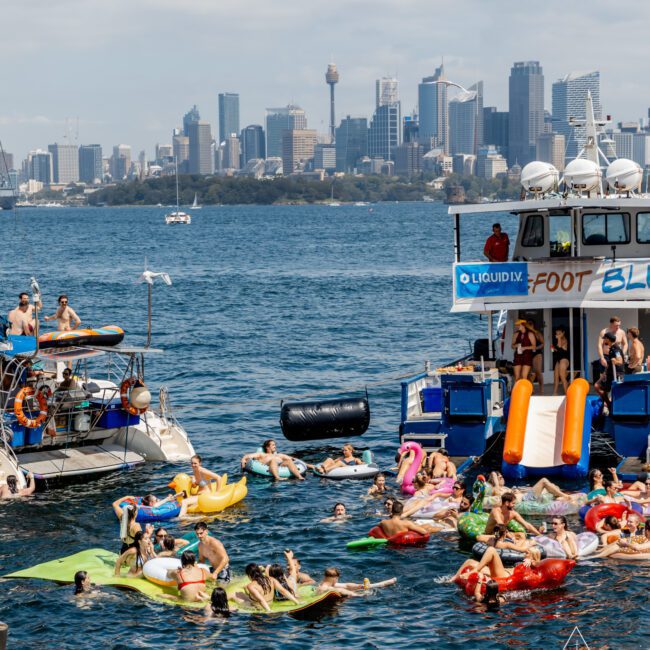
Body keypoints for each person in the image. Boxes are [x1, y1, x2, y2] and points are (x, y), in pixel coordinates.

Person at [233, 563, 298, 612]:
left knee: (234, 595)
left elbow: (261, 600)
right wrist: (296, 602)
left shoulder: (250, 586)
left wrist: (269, 611)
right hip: (270, 603)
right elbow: (283, 591)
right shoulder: (271, 579)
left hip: (258, 607)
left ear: (249, 575)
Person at [240, 439, 305, 481]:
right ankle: (277, 477)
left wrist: (310, 466)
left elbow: (296, 460)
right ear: (267, 447)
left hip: (280, 465)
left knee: (288, 461)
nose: (275, 446)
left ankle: (299, 476)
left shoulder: (279, 455)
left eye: (275, 445)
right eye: (273, 445)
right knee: (273, 461)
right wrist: (243, 461)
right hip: (268, 465)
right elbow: (247, 456)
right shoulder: (261, 454)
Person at [476, 523, 541, 562]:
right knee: (525, 541)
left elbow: (478, 537)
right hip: (511, 554)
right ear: (504, 534)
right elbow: (523, 550)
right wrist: (531, 544)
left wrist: (494, 536)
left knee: (521, 541)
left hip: (497, 542)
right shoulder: (506, 544)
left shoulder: (490, 540)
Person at [594, 332, 623, 412]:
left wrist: (615, 361)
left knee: (612, 391)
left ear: (608, 339)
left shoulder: (616, 349)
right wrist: (605, 372)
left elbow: (620, 361)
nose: (604, 340)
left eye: (605, 339)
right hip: (610, 373)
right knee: (598, 386)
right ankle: (609, 405)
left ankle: (611, 407)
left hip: (617, 374)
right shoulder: (611, 349)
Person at [527, 319, 544, 395]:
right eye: (528, 324)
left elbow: (543, 344)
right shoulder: (526, 333)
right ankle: (531, 388)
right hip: (528, 353)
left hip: (537, 353)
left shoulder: (537, 333)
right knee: (528, 372)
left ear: (533, 325)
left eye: (531, 324)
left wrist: (536, 348)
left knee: (538, 371)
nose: (529, 325)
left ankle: (541, 388)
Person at [551, 326, 570, 395]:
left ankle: (567, 394)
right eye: (557, 333)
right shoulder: (557, 340)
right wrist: (552, 348)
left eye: (559, 333)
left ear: (563, 333)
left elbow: (559, 346)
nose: (557, 335)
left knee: (562, 376)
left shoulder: (564, 339)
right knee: (556, 377)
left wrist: (558, 338)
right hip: (558, 359)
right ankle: (555, 393)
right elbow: (554, 350)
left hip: (564, 359)